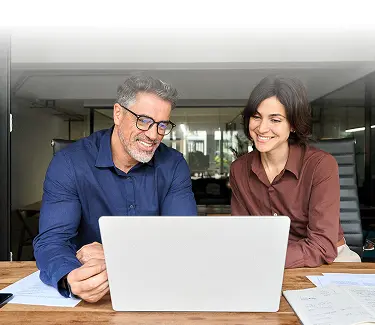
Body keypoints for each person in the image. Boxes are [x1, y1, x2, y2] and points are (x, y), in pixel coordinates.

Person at [33, 76, 197, 303]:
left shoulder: (174, 165)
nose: (153, 134)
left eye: (162, 125)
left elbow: (184, 241)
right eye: (144, 120)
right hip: (94, 296)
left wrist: (115, 256)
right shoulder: (69, 163)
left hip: (156, 291)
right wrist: (69, 278)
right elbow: (52, 241)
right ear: (118, 114)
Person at [230, 75, 361, 268]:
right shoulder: (239, 169)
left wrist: (266, 259)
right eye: (256, 117)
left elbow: (323, 245)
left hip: (330, 259)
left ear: (292, 124)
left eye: (275, 119)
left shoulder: (321, 165)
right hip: (265, 260)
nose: (262, 128)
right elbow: (242, 234)